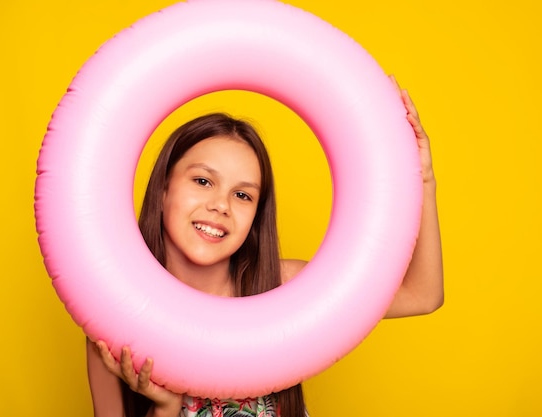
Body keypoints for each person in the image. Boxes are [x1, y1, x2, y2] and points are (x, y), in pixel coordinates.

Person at [85, 76, 444, 417]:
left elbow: (422, 294)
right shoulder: (117, 318)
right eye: (203, 180)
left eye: (242, 195)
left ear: (256, 215)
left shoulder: (283, 287)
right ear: (163, 189)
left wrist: (423, 177)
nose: (221, 205)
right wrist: (165, 406)